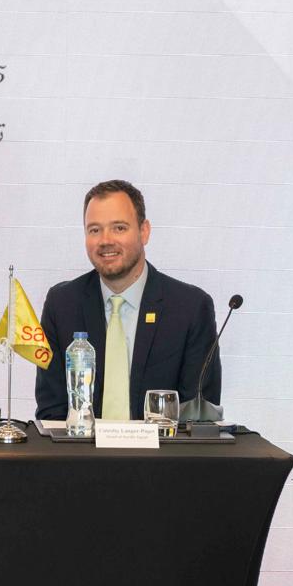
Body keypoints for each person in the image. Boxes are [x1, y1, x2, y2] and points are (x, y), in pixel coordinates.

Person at [35, 180, 219, 421]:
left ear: (144, 231)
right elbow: (51, 412)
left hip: (162, 446)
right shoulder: (62, 305)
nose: (105, 240)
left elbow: (199, 417)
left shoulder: (190, 308)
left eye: (119, 228)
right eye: (94, 230)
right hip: (80, 446)